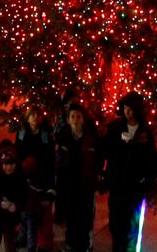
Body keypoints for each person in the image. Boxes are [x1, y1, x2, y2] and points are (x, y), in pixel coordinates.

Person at [100, 92, 157, 252]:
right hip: (117, 184)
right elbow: (105, 150)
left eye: (131, 109)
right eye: (125, 108)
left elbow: (152, 159)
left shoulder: (145, 132)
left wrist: (149, 180)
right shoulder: (115, 128)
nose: (128, 112)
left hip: (135, 187)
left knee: (132, 225)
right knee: (116, 224)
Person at [56, 101, 101, 252]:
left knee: (85, 217)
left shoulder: (91, 138)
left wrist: (97, 175)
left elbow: (98, 159)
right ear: (68, 119)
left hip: (85, 184)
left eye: (78, 116)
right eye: (73, 116)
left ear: (83, 119)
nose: (76, 119)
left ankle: (84, 245)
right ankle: (70, 243)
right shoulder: (62, 137)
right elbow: (59, 160)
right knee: (71, 215)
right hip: (68, 184)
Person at [16, 108, 57, 251]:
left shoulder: (46, 134)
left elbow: (49, 158)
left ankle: (43, 243)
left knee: (42, 212)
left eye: (38, 115)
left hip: (42, 177)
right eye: (32, 115)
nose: (35, 117)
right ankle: (23, 235)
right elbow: (18, 154)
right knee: (25, 210)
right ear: (27, 118)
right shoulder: (21, 133)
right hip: (26, 176)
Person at [0, 140, 27, 252]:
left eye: (12, 164)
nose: (9, 167)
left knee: (10, 244)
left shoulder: (19, 176)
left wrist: (16, 206)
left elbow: (23, 195)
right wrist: (0, 203)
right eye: (6, 164)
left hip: (11, 218)